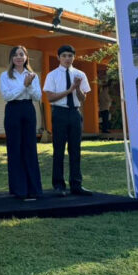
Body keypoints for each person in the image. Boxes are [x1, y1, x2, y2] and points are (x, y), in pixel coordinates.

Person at [43, 45, 92, 197]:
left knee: (75, 149)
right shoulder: (52, 75)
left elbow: (83, 98)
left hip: (75, 113)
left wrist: (77, 88)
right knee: (58, 149)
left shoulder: (80, 74)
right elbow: (50, 97)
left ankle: (76, 184)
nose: (67, 58)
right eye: (64, 55)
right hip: (59, 113)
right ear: (58, 57)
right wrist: (69, 90)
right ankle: (58, 185)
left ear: (74, 57)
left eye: (70, 56)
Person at [0, 45, 43, 200]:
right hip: (13, 110)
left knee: (30, 147)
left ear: (26, 57)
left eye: (21, 54)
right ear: (11, 58)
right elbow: (7, 96)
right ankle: (19, 189)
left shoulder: (33, 75)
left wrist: (29, 85)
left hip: (28, 109)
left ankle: (34, 188)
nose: (18, 57)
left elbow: (37, 97)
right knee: (14, 148)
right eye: (16, 55)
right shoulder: (5, 75)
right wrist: (23, 85)